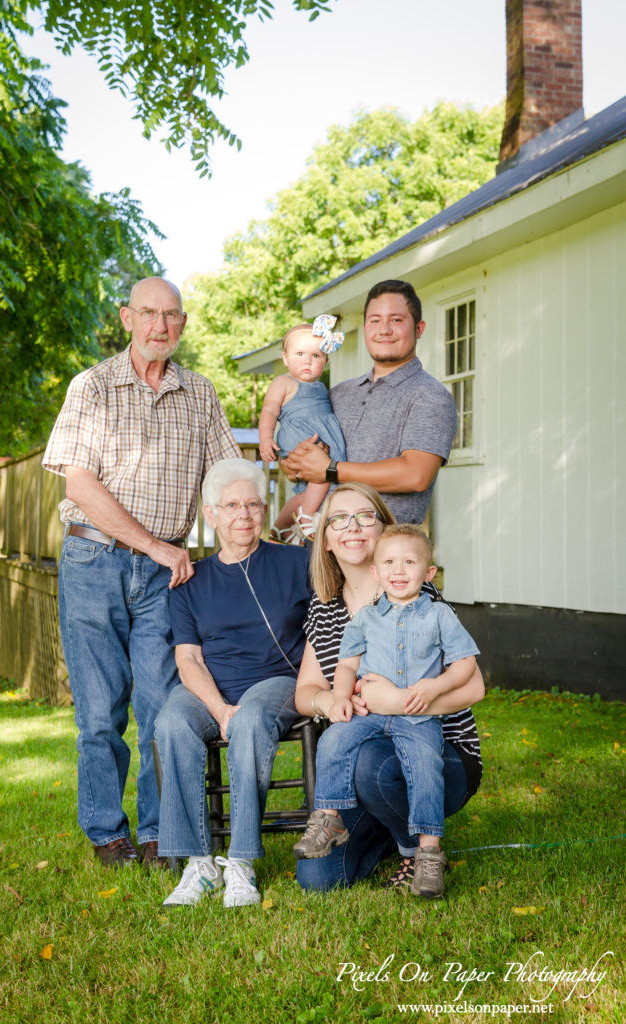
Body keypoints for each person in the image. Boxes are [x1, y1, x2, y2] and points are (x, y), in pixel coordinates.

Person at [42, 277, 241, 869]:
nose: (160, 325)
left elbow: (229, 477)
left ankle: (158, 833)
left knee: (161, 706)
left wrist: (284, 515)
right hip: (93, 562)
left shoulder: (200, 394)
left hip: (167, 577)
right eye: (149, 313)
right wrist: (154, 544)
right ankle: (107, 834)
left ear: (183, 323)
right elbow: (79, 481)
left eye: (172, 315)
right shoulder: (93, 387)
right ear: (127, 318)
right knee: (100, 714)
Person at [293, 482, 485, 894]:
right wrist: (331, 698)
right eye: (339, 519)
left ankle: (420, 854)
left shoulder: (416, 594)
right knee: (317, 879)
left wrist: (400, 702)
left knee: (372, 765)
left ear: (383, 528)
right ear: (325, 538)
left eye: (366, 516)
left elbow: (474, 688)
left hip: (437, 752)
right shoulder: (325, 607)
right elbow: (306, 689)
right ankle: (377, 828)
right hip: (366, 745)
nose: (353, 527)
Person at [155, 458, 310, 907]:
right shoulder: (190, 582)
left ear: (264, 509)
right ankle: (198, 864)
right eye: (232, 506)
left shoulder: (295, 562)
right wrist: (219, 708)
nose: (244, 514)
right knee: (171, 722)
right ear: (211, 514)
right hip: (210, 686)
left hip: (277, 680)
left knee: (252, 718)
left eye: (253, 505)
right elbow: (188, 659)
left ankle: (240, 863)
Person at [281, 280, 456, 526]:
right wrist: (295, 463)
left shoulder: (429, 395)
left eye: (396, 320)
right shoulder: (339, 393)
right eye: (375, 320)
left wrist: (331, 470)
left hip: (382, 552)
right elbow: (304, 460)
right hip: (318, 547)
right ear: (365, 328)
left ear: (419, 328)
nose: (384, 329)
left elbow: (416, 475)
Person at [259, 317, 346, 543]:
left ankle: (280, 526)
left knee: (315, 492)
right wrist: (265, 439)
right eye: (300, 354)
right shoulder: (283, 382)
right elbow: (269, 411)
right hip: (300, 436)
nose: (307, 361)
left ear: (325, 361)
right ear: (286, 358)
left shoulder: (320, 387)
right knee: (324, 474)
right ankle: (306, 516)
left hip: (318, 437)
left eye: (315, 356)